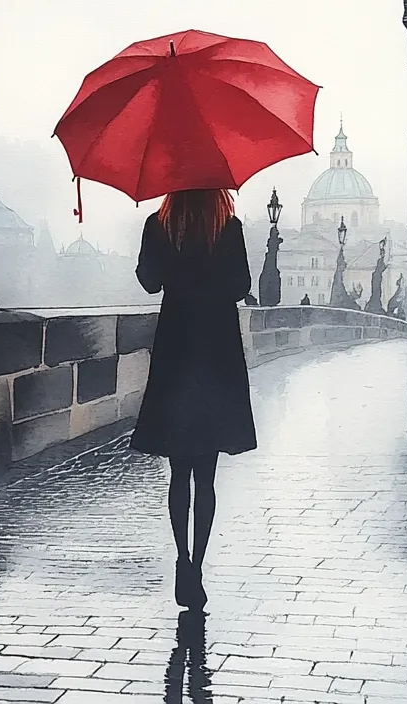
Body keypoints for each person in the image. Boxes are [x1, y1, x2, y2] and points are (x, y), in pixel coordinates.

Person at [132, 189, 256, 611]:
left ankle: (181, 558)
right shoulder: (228, 227)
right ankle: (197, 568)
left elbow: (150, 282)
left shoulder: (160, 226)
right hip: (217, 353)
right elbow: (242, 285)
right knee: (206, 476)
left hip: (177, 351)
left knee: (178, 473)